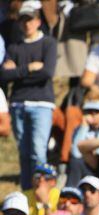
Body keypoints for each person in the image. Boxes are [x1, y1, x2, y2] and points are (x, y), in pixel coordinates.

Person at [1, 2, 57, 188]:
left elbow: (47, 73)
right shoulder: (14, 47)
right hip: (18, 104)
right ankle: (27, 194)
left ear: (38, 21)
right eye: (23, 19)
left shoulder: (48, 43)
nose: (27, 24)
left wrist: (18, 72)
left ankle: (42, 192)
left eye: (30, 19)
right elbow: (4, 75)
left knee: (38, 152)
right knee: (24, 154)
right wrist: (30, 68)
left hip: (41, 104)